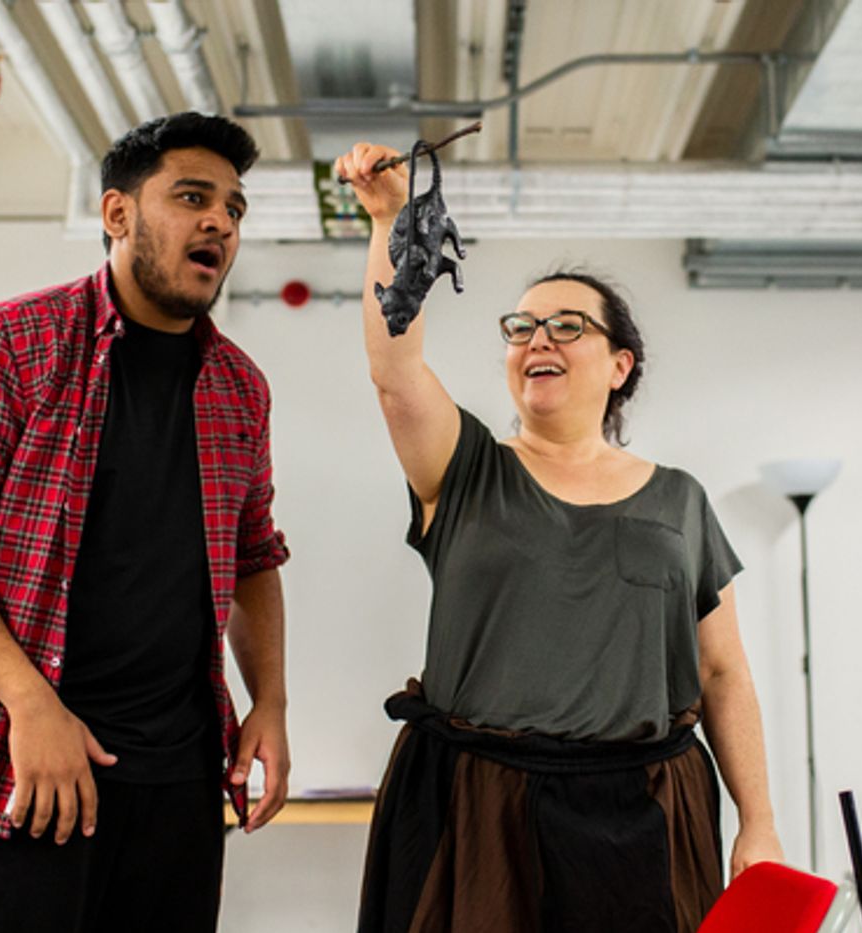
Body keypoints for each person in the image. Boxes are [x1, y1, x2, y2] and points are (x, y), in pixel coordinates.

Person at [335, 142, 784, 933]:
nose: (538, 337)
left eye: (567, 325)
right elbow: (396, 373)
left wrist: (759, 820)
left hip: (643, 809)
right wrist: (389, 222)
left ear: (620, 364)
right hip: (477, 806)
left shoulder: (680, 500)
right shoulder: (465, 468)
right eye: (523, 325)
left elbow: (722, 670)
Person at [0, 113, 291, 933]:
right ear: (117, 214)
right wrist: (32, 702)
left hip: (178, 779)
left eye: (234, 209)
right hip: (22, 761)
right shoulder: (10, 341)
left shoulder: (241, 386)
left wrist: (268, 701)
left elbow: (253, 556)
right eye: (192, 197)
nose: (220, 223)